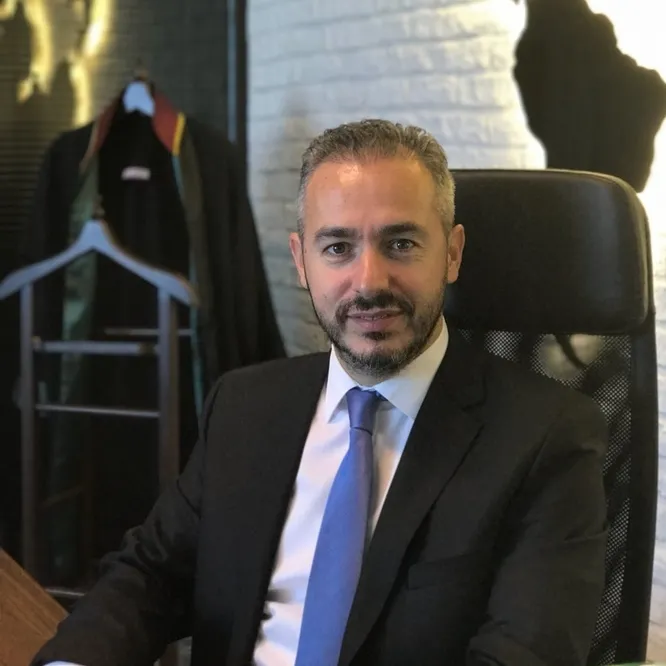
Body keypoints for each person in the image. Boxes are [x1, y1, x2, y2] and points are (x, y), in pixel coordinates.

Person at [33, 119, 608, 666]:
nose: (369, 282)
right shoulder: (245, 406)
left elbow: (524, 655)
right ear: (301, 261)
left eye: (401, 244)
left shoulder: (546, 438)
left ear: (452, 253)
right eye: (337, 248)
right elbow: (151, 573)